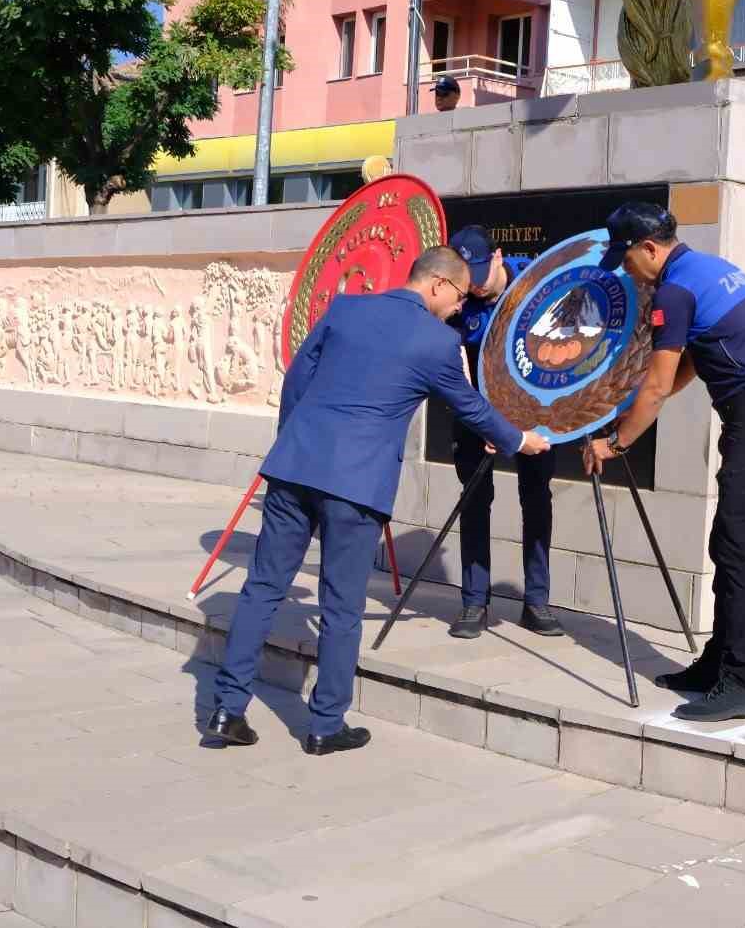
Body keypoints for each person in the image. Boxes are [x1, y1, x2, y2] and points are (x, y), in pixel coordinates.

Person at [204, 247, 552, 755]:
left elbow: (298, 380)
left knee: (261, 589)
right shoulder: (437, 341)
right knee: (341, 606)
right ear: (436, 284)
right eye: (457, 296)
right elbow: (471, 407)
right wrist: (521, 440)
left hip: (294, 468)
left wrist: (292, 447)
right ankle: (325, 725)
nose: (459, 307)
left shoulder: (346, 308)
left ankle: (224, 712)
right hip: (356, 485)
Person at [584, 203, 745, 723]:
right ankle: (716, 666)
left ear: (650, 249)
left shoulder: (675, 290)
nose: (627, 271)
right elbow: (686, 370)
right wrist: (627, 409)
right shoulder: (710, 270)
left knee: (739, 547)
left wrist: (614, 443)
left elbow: (659, 386)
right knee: (729, 544)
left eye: (628, 259)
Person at [446, 225, 561, 639]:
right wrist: (484, 420)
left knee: (537, 499)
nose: (474, 287)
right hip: (476, 412)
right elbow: (453, 365)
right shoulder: (458, 302)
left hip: (534, 413)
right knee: (475, 502)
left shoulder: (534, 282)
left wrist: (520, 421)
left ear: (498, 256)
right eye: (466, 279)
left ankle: (537, 601)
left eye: (480, 274)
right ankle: (474, 602)